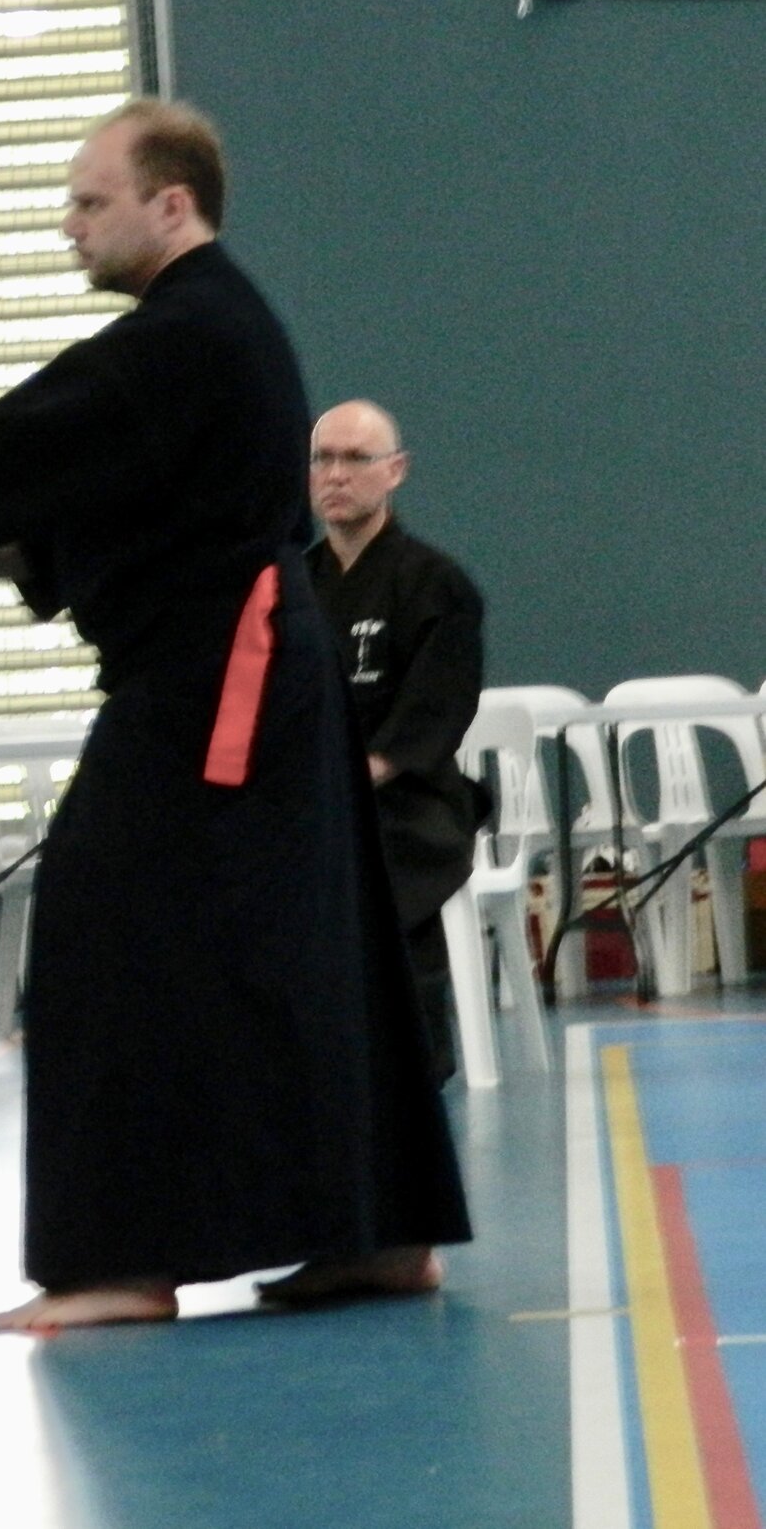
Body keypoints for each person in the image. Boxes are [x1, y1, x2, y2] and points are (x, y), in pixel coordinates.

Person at [0, 100, 471, 1328]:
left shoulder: (189, 329)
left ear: (171, 205)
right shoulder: (206, 333)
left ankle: (119, 1262)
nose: (69, 224)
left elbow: (26, 438)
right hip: (238, 673)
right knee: (288, 959)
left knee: (105, 944)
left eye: (88, 201)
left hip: (220, 686)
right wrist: (5, 555)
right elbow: (132, 491)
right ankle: (372, 1235)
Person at [307, 400, 489, 1085]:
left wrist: (354, 778)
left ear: (396, 471)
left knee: (381, 864)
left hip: (411, 803)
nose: (336, 475)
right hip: (315, 800)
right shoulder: (293, 586)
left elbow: (434, 715)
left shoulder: (438, 585)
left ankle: (413, 1067)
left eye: (356, 458)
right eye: (323, 457)